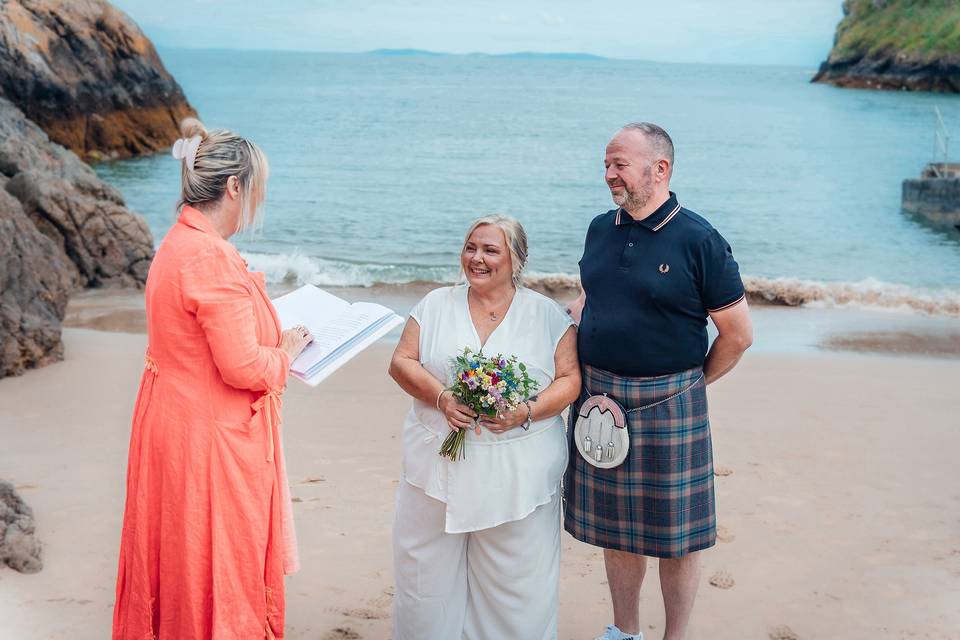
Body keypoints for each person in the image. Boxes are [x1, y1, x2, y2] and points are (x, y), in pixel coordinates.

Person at [112, 118, 313, 640]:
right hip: (206, 435)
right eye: (257, 189)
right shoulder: (209, 257)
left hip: (173, 419)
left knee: (182, 551)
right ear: (233, 188)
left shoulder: (179, 241)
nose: (257, 201)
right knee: (217, 555)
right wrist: (285, 351)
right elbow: (243, 366)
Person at [565, 123, 753, 640]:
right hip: (597, 398)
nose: (608, 175)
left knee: (679, 538)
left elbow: (737, 334)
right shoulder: (600, 229)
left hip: (671, 405)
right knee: (616, 532)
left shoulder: (700, 240)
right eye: (606, 164)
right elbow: (591, 297)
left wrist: (691, 387)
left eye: (619, 164)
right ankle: (624, 632)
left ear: (660, 168)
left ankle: (676, 636)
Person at [388, 215, 580, 640]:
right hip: (435, 473)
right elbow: (401, 362)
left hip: (518, 479)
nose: (477, 258)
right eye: (471, 247)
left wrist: (526, 410)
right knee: (425, 585)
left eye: (491, 250)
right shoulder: (435, 305)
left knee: (517, 591)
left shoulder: (547, 316)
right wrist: (442, 397)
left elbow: (570, 380)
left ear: (516, 260)